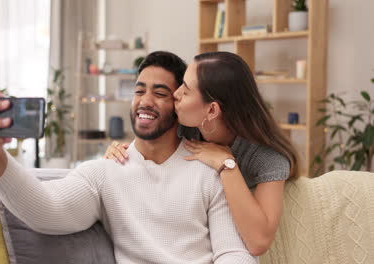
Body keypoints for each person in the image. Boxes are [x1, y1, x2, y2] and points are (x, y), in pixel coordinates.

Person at [0, 51, 257, 264]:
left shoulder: (210, 168)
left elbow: (233, 251)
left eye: (160, 93)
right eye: (139, 91)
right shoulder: (105, 171)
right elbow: (47, 211)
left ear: (179, 103)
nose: (145, 101)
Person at [104, 51, 300, 256]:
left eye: (185, 91)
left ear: (212, 111)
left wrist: (226, 164)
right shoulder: (186, 129)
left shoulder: (268, 158)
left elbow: (258, 242)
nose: (175, 94)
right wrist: (122, 153)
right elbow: (149, 149)